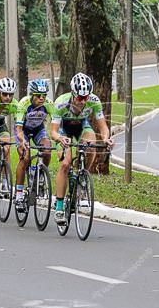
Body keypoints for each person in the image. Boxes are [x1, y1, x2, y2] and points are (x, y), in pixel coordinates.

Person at [50, 73, 113, 225]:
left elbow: (103, 126)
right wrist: (60, 138)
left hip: (82, 126)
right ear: (73, 94)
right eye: (80, 98)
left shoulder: (94, 101)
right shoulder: (61, 103)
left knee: (91, 146)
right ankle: (59, 207)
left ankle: (83, 177)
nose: (83, 101)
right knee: (65, 163)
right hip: (63, 130)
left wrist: (106, 138)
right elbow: (53, 131)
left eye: (86, 97)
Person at [14, 79, 54, 212]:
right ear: (32, 95)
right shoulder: (23, 104)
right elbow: (19, 129)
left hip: (38, 129)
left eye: (44, 95)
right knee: (25, 157)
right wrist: (22, 141)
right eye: (38, 96)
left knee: (47, 149)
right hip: (22, 131)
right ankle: (19, 195)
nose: (41, 98)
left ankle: (40, 176)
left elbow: (56, 124)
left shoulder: (48, 104)